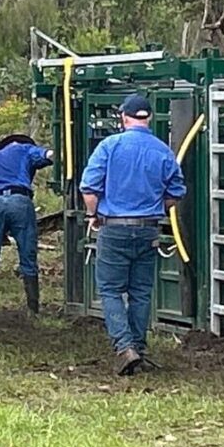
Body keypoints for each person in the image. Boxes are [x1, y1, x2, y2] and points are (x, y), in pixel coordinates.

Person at [79, 94, 186, 375]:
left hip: (113, 227)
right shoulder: (163, 151)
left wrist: (93, 216)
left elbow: (89, 189)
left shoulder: (109, 146)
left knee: (110, 290)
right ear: (148, 118)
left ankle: (125, 347)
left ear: (124, 118)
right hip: (148, 228)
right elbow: (175, 193)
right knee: (141, 292)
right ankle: (138, 346)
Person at [0, 134, 54, 323]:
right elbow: (48, 155)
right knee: (27, 255)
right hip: (19, 201)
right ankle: (33, 311)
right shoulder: (24, 149)